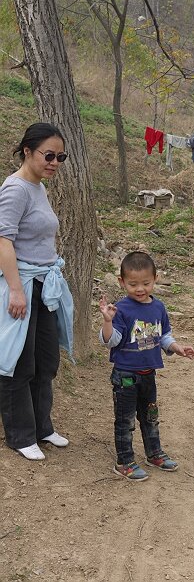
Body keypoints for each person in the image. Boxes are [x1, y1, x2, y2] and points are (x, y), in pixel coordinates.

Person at [0, 122, 73, 461]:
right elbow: (3, 240)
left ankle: (42, 427)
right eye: (48, 155)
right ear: (27, 151)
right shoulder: (15, 189)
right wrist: (16, 290)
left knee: (46, 360)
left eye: (60, 156)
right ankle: (20, 435)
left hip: (45, 286)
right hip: (23, 286)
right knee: (19, 363)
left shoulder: (39, 187)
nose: (55, 162)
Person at [99, 251, 194, 482]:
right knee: (125, 421)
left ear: (156, 278)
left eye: (146, 283)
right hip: (125, 375)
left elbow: (162, 336)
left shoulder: (158, 308)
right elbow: (110, 341)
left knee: (150, 416)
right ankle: (124, 461)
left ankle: (154, 453)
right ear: (122, 282)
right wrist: (107, 321)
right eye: (133, 284)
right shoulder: (121, 310)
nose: (140, 288)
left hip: (148, 374)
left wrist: (177, 347)